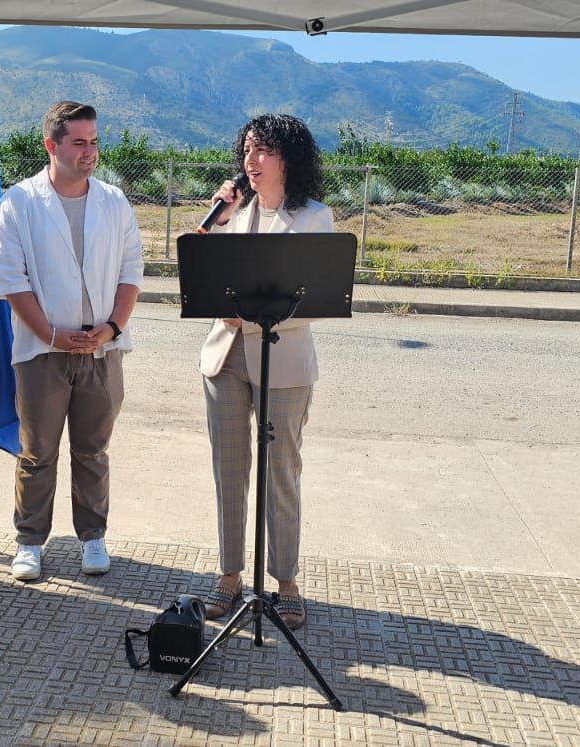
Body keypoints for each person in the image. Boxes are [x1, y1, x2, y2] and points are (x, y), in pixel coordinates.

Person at [0, 101, 143, 581]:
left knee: (93, 450)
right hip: (42, 353)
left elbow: (130, 272)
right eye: (79, 142)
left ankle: (93, 538)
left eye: (94, 141)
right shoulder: (19, 202)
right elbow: (11, 279)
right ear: (51, 145)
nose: (90, 151)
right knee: (37, 453)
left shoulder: (114, 202)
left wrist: (112, 327)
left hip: (103, 349)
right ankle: (30, 541)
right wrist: (51, 333)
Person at [197, 113, 334, 630]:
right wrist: (221, 218)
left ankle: (286, 582)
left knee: (281, 474)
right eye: (248, 150)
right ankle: (229, 577)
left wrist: (253, 320)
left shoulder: (314, 218)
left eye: (263, 151)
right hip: (224, 359)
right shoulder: (235, 211)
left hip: (285, 362)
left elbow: (318, 302)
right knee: (229, 473)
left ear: (288, 159)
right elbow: (203, 277)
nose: (250, 162)